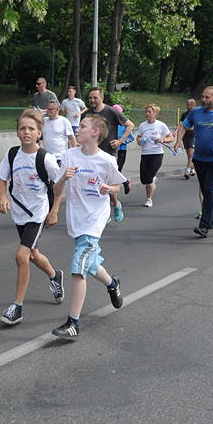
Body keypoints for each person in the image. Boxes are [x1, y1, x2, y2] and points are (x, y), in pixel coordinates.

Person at [50, 114, 125, 339]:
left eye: (83, 126)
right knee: (90, 264)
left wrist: (108, 188)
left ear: (95, 132)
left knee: (78, 267)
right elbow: (56, 190)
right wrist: (63, 178)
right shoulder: (69, 155)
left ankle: (73, 323)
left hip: (94, 220)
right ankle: (112, 283)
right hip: (77, 219)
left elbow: (117, 186)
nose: (78, 129)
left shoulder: (107, 160)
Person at [0, 109, 64, 325]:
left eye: (31, 129)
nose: (26, 132)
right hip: (19, 212)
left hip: (37, 213)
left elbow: (59, 187)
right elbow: (2, 178)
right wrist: (2, 198)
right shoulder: (12, 154)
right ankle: (54, 275)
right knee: (33, 254)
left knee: (21, 255)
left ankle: (17, 307)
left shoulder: (46, 159)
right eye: (22, 128)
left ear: (39, 133)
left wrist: (54, 211)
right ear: (17, 132)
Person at [174, 86, 213, 237]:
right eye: (202, 96)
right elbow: (183, 126)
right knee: (206, 190)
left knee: (210, 189)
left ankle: (204, 226)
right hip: (199, 157)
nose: (203, 99)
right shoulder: (196, 112)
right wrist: (178, 141)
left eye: (207, 97)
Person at [80, 87, 135, 222]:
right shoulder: (86, 114)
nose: (92, 100)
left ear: (102, 98)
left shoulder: (111, 111)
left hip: (108, 153)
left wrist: (120, 141)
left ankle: (116, 204)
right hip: (91, 153)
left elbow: (130, 125)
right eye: (90, 98)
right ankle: (103, 212)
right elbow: (82, 131)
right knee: (95, 184)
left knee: (108, 183)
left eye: (95, 97)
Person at [135, 104, 173, 208]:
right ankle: (153, 179)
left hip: (157, 154)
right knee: (144, 179)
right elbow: (138, 137)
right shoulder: (142, 125)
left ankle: (149, 199)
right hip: (145, 154)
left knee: (148, 178)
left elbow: (170, 138)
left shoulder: (161, 125)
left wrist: (162, 139)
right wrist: (140, 141)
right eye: (146, 112)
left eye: (149, 112)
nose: (147, 114)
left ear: (155, 113)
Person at [40, 100, 76, 166]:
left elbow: (71, 138)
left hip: (60, 157)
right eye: (48, 109)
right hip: (46, 157)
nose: (49, 111)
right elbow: (40, 138)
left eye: (51, 109)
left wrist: (74, 154)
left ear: (57, 109)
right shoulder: (44, 120)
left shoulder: (64, 121)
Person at [176, 98, 196, 178]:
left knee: (191, 154)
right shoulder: (184, 114)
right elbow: (181, 124)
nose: (187, 106)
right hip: (185, 136)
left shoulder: (196, 114)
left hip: (193, 136)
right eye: (187, 104)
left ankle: (187, 170)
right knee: (189, 155)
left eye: (189, 104)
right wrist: (176, 132)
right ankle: (192, 169)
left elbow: (194, 126)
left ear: (193, 105)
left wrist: (186, 127)